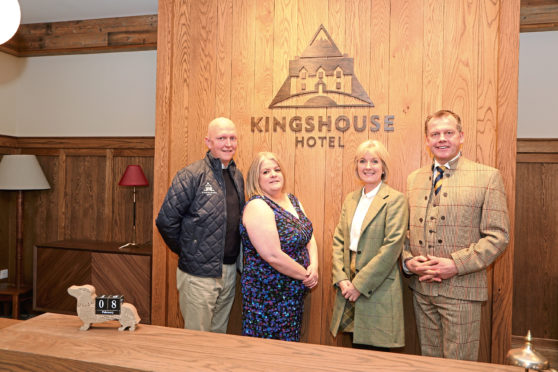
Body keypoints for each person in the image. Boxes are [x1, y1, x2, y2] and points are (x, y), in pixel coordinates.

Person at [402, 109, 510, 360]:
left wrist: (455, 264)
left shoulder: (487, 176)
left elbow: (498, 235)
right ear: (427, 140)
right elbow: (404, 232)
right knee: (428, 361)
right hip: (422, 291)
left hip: (463, 292)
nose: (442, 138)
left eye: (448, 133)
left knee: (458, 364)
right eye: (435, 134)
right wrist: (408, 261)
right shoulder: (414, 179)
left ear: (461, 136)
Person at [155, 117, 245, 333]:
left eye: (232, 138)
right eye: (221, 138)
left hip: (229, 271)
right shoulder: (191, 175)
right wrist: (190, 250)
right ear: (208, 142)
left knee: (218, 336)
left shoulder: (237, 176)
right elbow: (166, 221)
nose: (228, 143)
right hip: (198, 275)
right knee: (197, 340)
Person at [329, 140, 407, 350]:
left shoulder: (395, 200)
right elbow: (339, 240)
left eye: (374, 161)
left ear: (384, 167)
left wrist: (359, 285)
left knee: (376, 356)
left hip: (378, 286)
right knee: (355, 353)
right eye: (362, 161)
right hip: (348, 283)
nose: (368, 166)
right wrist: (342, 278)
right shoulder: (351, 199)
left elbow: (392, 248)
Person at [240, 151, 318, 341]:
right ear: (255, 179)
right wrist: (305, 275)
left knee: (288, 349)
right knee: (266, 354)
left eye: (277, 170)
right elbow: (272, 255)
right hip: (267, 296)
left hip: (292, 295)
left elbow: (309, 236)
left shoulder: (292, 200)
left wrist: (314, 266)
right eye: (266, 172)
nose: (273, 174)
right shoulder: (257, 206)